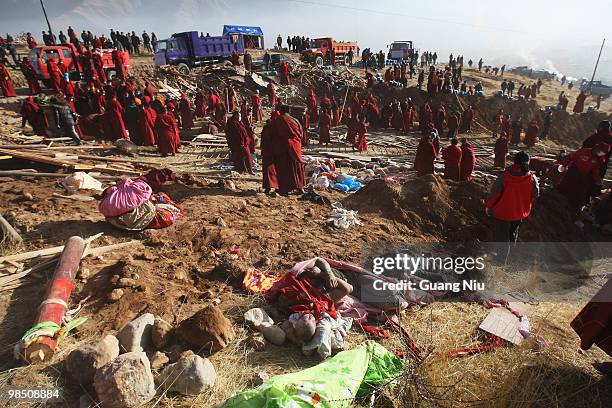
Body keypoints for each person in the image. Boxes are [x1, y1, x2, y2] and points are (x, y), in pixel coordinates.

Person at [485, 151, 539, 261]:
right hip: (519, 213)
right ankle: (509, 257)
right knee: (512, 234)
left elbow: (495, 194)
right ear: (527, 162)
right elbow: (536, 194)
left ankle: (500, 261)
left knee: (502, 238)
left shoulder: (505, 176)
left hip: (503, 212)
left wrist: (488, 206)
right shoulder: (532, 178)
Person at [558, 143, 610, 220]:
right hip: (573, 172)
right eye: (600, 151)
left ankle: (572, 208)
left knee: (579, 191)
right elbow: (571, 157)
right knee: (566, 186)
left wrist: (598, 179)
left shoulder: (599, 159)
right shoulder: (584, 151)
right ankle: (560, 198)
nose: (600, 153)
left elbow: (595, 170)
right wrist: (564, 165)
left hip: (583, 176)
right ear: (597, 148)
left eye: (603, 153)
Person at [272, 104, 305, 195]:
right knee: (297, 167)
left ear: (281, 111)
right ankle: (300, 187)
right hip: (296, 146)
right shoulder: (295, 120)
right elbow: (301, 134)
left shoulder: (279, 120)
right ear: (289, 111)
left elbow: (275, 134)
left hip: (284, 148)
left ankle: (285, 189)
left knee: (284, 168)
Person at [261, 113, 279, 192]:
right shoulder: (274, 128)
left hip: (268, 151)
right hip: (272, 151)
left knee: (268, 170)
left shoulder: (268, 129)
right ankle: (273, 187)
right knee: (273, 169)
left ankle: (269, 187)